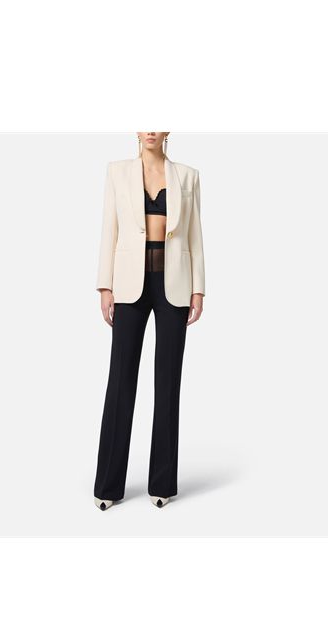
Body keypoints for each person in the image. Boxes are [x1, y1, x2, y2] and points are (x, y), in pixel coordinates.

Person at [93, 131, 205, 510]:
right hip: (129, 284)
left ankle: (162, 483)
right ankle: (108, 486)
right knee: (120, 380)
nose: (152, 129)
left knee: (168, 382)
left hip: (174, 282)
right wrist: (105, 286)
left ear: (168, 130)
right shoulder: (117, 172)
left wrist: (199, 289)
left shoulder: (187, 176)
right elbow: (109, 230)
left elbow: (195, 236)